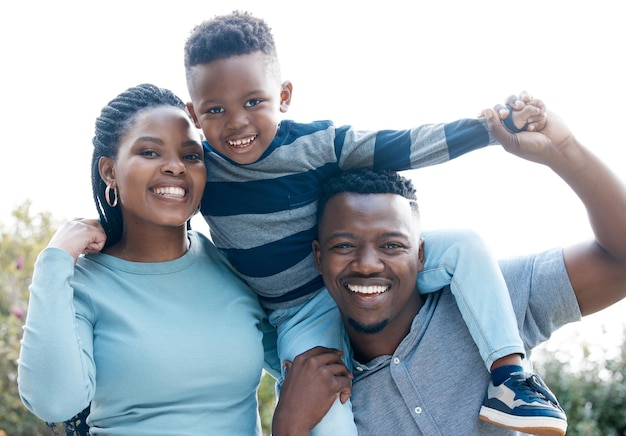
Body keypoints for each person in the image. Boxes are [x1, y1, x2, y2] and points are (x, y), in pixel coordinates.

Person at [183, 10, 561, 434]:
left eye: (253, 101)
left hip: (355, 265)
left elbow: (400, 147)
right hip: (297, 315)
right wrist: (104, 227)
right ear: (193, 115)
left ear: (284, 95)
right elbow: (153, 204)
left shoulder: (316, 145)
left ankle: (511, 380)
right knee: (328, 417)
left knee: (464, 243)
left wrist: (488, 130)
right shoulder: (199, 171)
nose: (236, 122)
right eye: (214, 109)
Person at [272, 107, 626, 435]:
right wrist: (289, 424)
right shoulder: (317, 392)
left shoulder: (493, 298)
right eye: (344, 246)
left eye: (392, 245)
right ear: (318, 258)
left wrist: (564, 150)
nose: (367, 264)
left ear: (421, 254)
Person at [17, 83, 279, 435]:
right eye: (150, 152)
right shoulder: (81, 283)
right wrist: (54, 261)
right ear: (110, 171)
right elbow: (54, 402)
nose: (175, 167)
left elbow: (300, 363)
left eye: (190, 156)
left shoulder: (235, 264)